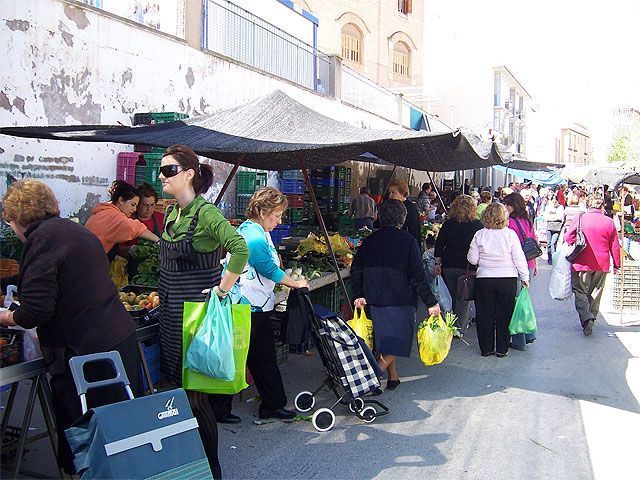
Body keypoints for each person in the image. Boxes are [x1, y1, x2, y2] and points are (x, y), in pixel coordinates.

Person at [0, 180, 141, 475]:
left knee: (88, 442)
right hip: (116, 339)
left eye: (10, 221)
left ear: (19, 216)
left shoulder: (43, 240)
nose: (12, 228)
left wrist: (6, 317)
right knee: (118, 435)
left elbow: (35, 311)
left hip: (86, 354)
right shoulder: (74, 230)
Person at [157, 145, 249, 479]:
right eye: (161, 169)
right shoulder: (172, 213)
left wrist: (222, 289)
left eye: (169, 170)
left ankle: (212, 471)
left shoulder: (206, 214)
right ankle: (190, 465)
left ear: (189, 174)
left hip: (194, 319)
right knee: (179, 394)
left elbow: (240, 249)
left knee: (195, 398)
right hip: (169, 315)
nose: (162, 175)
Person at [213, 188, 310, 422]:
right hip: (245, 306)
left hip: (257, 306)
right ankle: (219, 409)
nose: (279, 221)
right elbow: (268, 268)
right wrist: (296, 283)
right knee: (238, 357)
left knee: (262, 356)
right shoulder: (253, 236)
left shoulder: (256, 230)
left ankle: (272, 404)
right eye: (276, 215)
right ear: (261, 211)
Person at [351, 200, 440, 390]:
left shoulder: (369, 241)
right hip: (400, 300)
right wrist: (431, 302)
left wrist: (357, 295)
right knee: (396, 342)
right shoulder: (408, 241)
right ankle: (368, 381)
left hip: (373, 298)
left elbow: (356, 269)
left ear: (379, 217)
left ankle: (393, 377)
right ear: (403, 218)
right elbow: (417, 276)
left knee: (384, 339)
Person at [467, 203, 529, 357]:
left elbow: (472, 259)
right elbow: (519, 258)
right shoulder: (510, 234)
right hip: (507, 278)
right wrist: (525, 277)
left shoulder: (479, 234)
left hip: (485, 279)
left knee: (484, 314)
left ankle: (487, 348)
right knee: (505, 313)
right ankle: (502, 348)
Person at [564, 194, 621, 336]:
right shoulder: (609, 222)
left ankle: (586, 317)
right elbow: (615, 246)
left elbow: (568, 238)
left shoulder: (581, 218)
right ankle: (591, 318)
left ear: (587, 205)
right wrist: (617, 265)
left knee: (580, 291)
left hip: (581, 262)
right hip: (602, 263)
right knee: (595, 292)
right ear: (602, 207)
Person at [433, 195, 484, 333]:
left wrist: (437, 263)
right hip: (468, 266)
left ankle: (449, 323)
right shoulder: (477, 225)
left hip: (449, 264)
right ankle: (459, 327)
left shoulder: (448, 224)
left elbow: (439, 244)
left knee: (449, 296)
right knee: (464, 298)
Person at [85, 179, 159, 260]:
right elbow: (135, 228)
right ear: (121, 200)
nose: (134, 209)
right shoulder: (113, 216)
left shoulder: (104, 211)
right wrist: (159, 241)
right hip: (89, 261)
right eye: (132, 204)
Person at [502, 192, 539, 350]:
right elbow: (534, 241)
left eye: (507, 204)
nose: (505, 207)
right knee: (523, 302)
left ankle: (519, 340)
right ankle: (528, 334)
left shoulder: (509, 223)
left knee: (516, 303)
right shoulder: (527, 220)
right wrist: (535, 264)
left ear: (513, 205)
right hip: (529, 264)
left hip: (516, 266)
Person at [387, 179, 421, 244]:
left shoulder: (408, 208)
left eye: (393, 192)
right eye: (390, 193)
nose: (390, 196)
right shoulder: (398, 206)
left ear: (402, 194)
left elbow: (412, 229)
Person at [543, 193, 565, 264]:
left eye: (556, 202)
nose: (554, 203)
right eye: (553, 202)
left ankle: (554, 258)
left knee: (553, 243)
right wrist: (554, 217)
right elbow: (546, 217)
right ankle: (549, 258)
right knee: (549, 243)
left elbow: (560, 217)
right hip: (549, 226)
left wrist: (551, 217)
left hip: (557, 227)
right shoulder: (548, 207)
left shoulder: (560, 207)